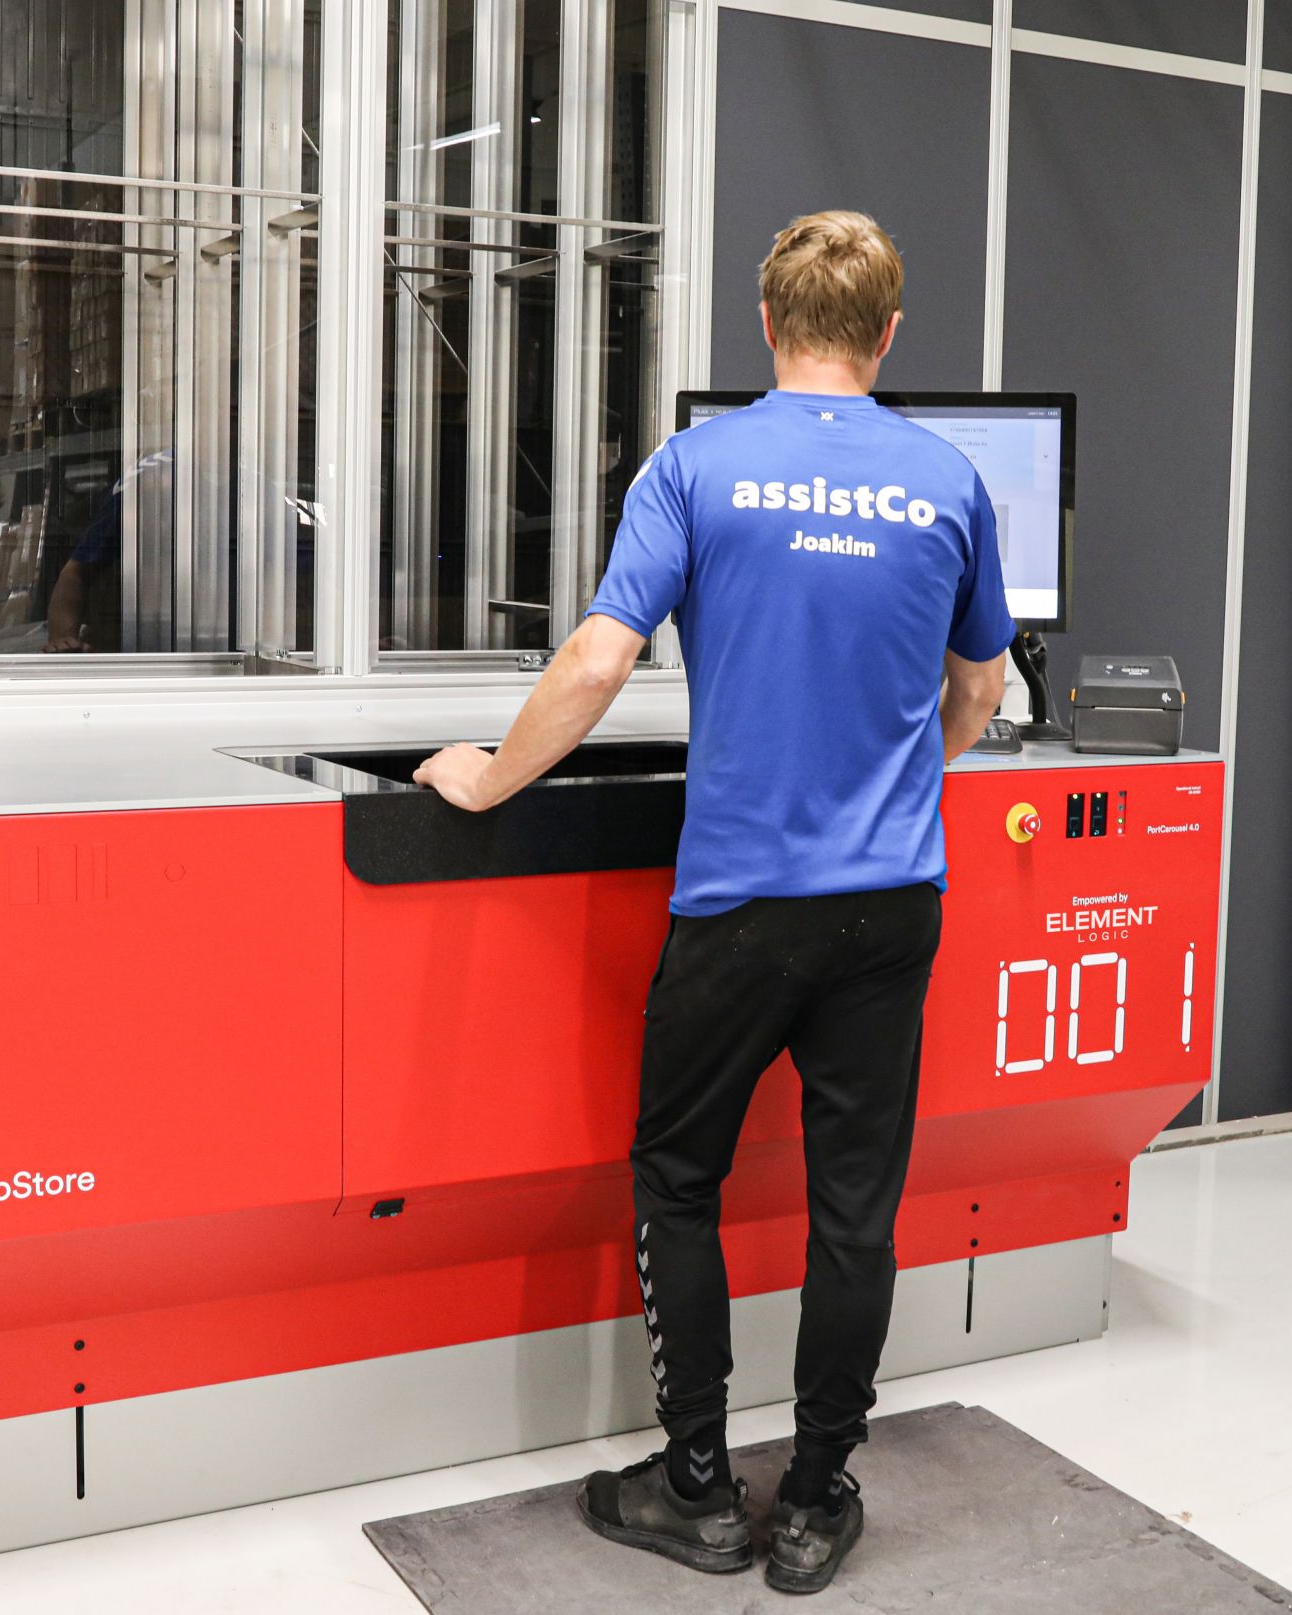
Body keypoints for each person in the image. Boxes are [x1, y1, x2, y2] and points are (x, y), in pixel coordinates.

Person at [412, 210, 1012, 1594]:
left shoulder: (698, 465)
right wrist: (905, 768)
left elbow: (595, 661)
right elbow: (978, 690)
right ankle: (813, 1499)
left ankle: (694, 1490)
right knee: (855, 1207)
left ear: (768, 321)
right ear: (888, 332)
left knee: (677, 1182)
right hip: (890, 906)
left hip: (739, 905)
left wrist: (491, 782)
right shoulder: (946, 479)